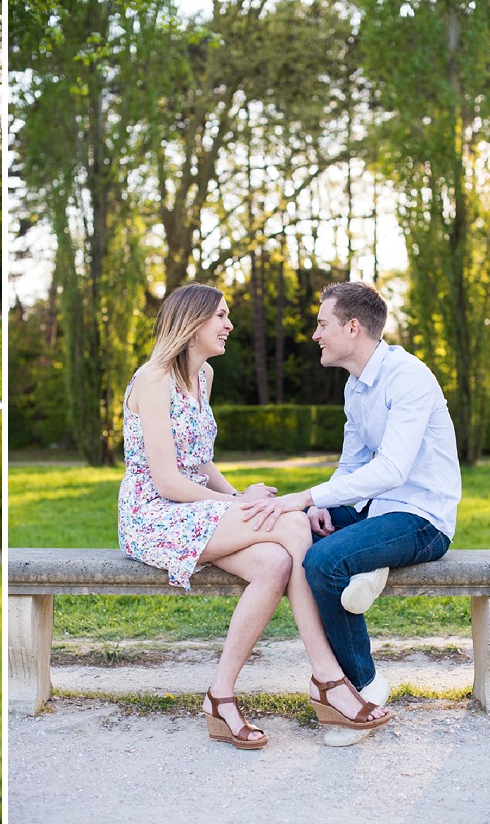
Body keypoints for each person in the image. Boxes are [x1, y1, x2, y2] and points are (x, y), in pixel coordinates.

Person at [118, 282, 390, 750]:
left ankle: (219, 697)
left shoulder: (202, 377)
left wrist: (237, 494)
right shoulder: (154, 378)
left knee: (276, 563)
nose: (229, 325)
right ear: (193, 321)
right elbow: (167, 480)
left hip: (196, 509)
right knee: (291, 521)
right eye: (221, 316)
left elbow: (201, 463)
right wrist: (246, 504)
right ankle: (328, 677)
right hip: (154, 514)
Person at [241, 281, 460, 747]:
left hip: (422, 517)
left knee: (324, 562)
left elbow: (392, 468)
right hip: (375, 511)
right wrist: (320, 506)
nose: (316, 334)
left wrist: (306, 494)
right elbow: (354, 463)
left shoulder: (408, 377)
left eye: (323, 324)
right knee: (295, 533)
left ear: (353, 327)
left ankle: (360, 686)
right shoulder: (355, 386)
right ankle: (371, 568)